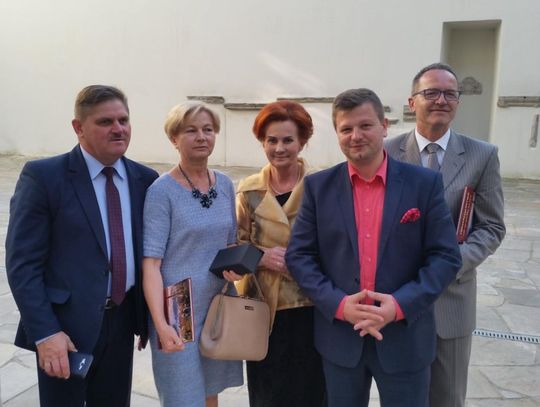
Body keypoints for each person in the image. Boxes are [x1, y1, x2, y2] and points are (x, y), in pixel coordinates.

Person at [285, 88, 462, 407]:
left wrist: (400, 305)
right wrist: (339, 305)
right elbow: (299, 257)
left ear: (384, 126)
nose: (356, 136)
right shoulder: (317, 187)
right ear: (337, 134)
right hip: (340, 339)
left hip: (405, 338)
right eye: (346, 128)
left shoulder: (423, 184)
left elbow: (445, 257)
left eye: (365, 125)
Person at [5, 85, 159, 406]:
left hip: (122, 322)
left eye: (123, 120)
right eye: (105, 122)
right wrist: (46, 333)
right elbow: (23, 265)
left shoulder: (144, 180)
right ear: (79, 128)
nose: (118, 129)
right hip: (65, 330)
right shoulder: (44, 177)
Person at [385, 62, 506, 407]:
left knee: (447, 398)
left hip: (451, 298)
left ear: (458, 102)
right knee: (400, 397)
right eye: (431, 93)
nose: (441, 100)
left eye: (450, 94)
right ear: (412, 102)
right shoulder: (387, 153)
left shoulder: (482, 155)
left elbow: (492, 226)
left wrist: (452, 263)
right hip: (397, 297)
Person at [142, 102, 243, 407]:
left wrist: (237, 267)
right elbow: (151, 264)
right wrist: (161, 324)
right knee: (182, 396)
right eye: (191, 130)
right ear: (174, 138)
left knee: (211, 389)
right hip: (178, 307)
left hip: (218, 302)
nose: (201, 136)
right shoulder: (161, 191)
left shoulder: (224, 184)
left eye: (208, 129)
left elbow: (229, 243)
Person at [235, 100, 326, 406]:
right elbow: (235, 244)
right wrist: (260, 257)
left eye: (288, 140)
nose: (279, 148)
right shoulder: (249, 191)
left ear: (303, 141)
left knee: (313, 393)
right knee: (267, 394)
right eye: (271, 140)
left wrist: (302, 261)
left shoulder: (321, 187)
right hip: (263, 312)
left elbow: (338, 245)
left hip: (312, 306)